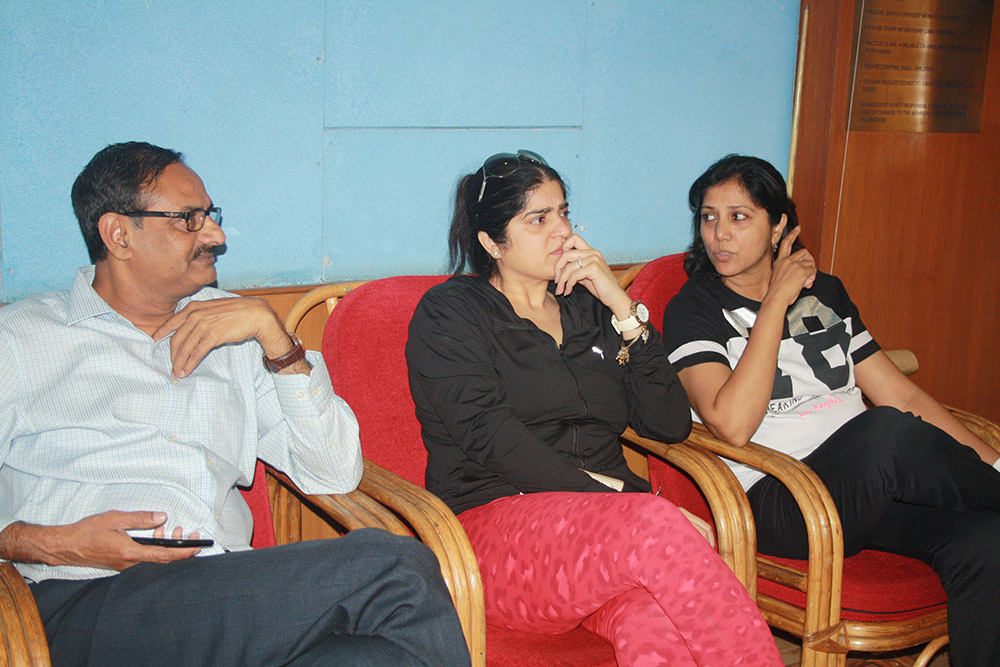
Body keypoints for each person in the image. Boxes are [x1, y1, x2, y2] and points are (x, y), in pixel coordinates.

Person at [0, 142, 470, 667]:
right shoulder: (21, 341)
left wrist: (278, 342)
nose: (215, 236)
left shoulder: (239, 330)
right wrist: (48, 544)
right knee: (395, 568)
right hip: (87, 598)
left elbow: (334, 473)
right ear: (118, 235)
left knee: (375, 658)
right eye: (189, 219)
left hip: (222, 589)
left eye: (211, 215)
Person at [406, 150, 782, 666]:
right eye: (538, 219)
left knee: (655, 625)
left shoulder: (588, 308)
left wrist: (620, 305)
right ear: (492, 242)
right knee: (656, 529)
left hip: (606, 542)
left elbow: (669, 423)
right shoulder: (451, 313)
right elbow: (491, 438)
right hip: (492, 537)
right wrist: (626, 503)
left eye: (563, 212)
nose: (562, 230)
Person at [663, 153, 1000, 667]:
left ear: (779, 227)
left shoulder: (827, 293)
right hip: (781, 499)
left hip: (865, 489)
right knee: (885, 432)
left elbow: (905, 396)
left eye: (739, 216)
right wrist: (775, 302)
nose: (719, 234)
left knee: (986, 542)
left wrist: (994, 463)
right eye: (709, 217)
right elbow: (731, 425)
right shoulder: (693, 308)